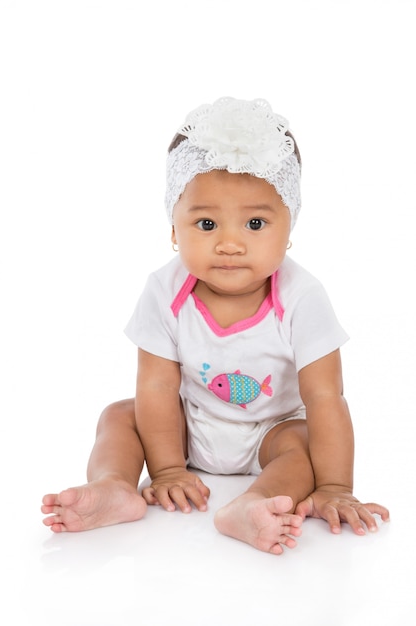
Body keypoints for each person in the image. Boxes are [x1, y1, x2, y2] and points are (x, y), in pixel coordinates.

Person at [42, 97, 389, 555]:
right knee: (120, 414)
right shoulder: (163, 291)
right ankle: (115, 486)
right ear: (173, 228)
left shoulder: (303, 298)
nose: (229, 243)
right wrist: (166, 469)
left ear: (289, 228)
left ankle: (255, 502)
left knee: (305, 443)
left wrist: (336, 486)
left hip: (272, 431)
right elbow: (157, 389)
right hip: (187, 424)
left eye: (255, 222)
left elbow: (325, 397)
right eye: (206, 223)